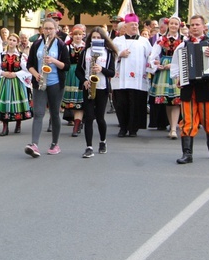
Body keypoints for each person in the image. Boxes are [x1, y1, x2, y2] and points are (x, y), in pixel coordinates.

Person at [170, 15, 209, 163]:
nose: (194, 27)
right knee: (188, 120)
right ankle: (187, 154)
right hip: (189, 88)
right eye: (192, 25)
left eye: (197, 24)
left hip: (207, 86)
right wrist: (178, 77)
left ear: (204, 27)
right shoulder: (182, 46)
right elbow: (175, 66)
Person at [25, 17, 70, 157]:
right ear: (42, 30)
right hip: (40, 82)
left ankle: (55, 144)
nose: (48, 31)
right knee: (38, 113)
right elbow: (29, 64)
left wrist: (53, 61)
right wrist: (36, 75)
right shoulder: (37, 44)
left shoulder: (61, 45)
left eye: (51, 29)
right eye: (46, 28)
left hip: (55, 83)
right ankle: (34, 144)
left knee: (55, 113)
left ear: (56, 29)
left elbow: (66, 66)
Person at [76, 27, 117, 157]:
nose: (96, 40)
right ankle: (89, 147)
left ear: (103, 39)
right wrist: (84, 81)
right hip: (88, 87)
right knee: (88, 117)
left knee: (100, 118)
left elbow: (112, 72)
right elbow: (78, 71)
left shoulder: (108, 53)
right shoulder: (85, 52)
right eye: (94, 37)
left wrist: (101, 68)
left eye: (99, 38)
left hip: (102, 87)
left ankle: (102, 141)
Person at [111, 13, 152, 137]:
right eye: (131, 25)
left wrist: (152, 65)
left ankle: (133, 128)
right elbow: (110, 57)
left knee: (136, 103)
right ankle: (123, 127)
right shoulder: (117, 41)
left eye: (136, 24)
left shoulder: (144, 41)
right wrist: (119, 55)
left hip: (138, 80)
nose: (134, 27)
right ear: (125, 26)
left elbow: (150, 57)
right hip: (121, 79)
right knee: (121, 103)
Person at [0, 34, 32, 135]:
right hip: (4, 82)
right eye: (10, 40)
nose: (11, 42)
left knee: (17, 103)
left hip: (17, 82)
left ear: (17, 42)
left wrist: (16, 74)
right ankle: (5, 127)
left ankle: (18, 123)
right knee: (5, 103)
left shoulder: (22, 56)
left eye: (14, 40)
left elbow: (27, 70)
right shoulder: (1, 55)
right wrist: (3, 73)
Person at [148, 16, 183, 139]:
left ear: (179, 26)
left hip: (177, 70)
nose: (173, 26)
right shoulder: (161, 40)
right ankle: (172, 126)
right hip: (164, 72)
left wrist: (173, 65)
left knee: (176, 101)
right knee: (168, 100)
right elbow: (153, 55)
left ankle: (173, 128)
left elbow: (185, 55)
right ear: (168, 25)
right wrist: (156, 64)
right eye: (172, 23)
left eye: (176, 24)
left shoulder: (184, 39)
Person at [62, 25, 86, 137]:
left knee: (81, 101)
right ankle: (76, 124)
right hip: (71, 72)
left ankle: (77, 125)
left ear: (83, 35)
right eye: (75, 34)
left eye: (79, 34)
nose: (77, 37)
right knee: (72, 101)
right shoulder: (67, 47)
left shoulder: (86, 47)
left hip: (82, 72)